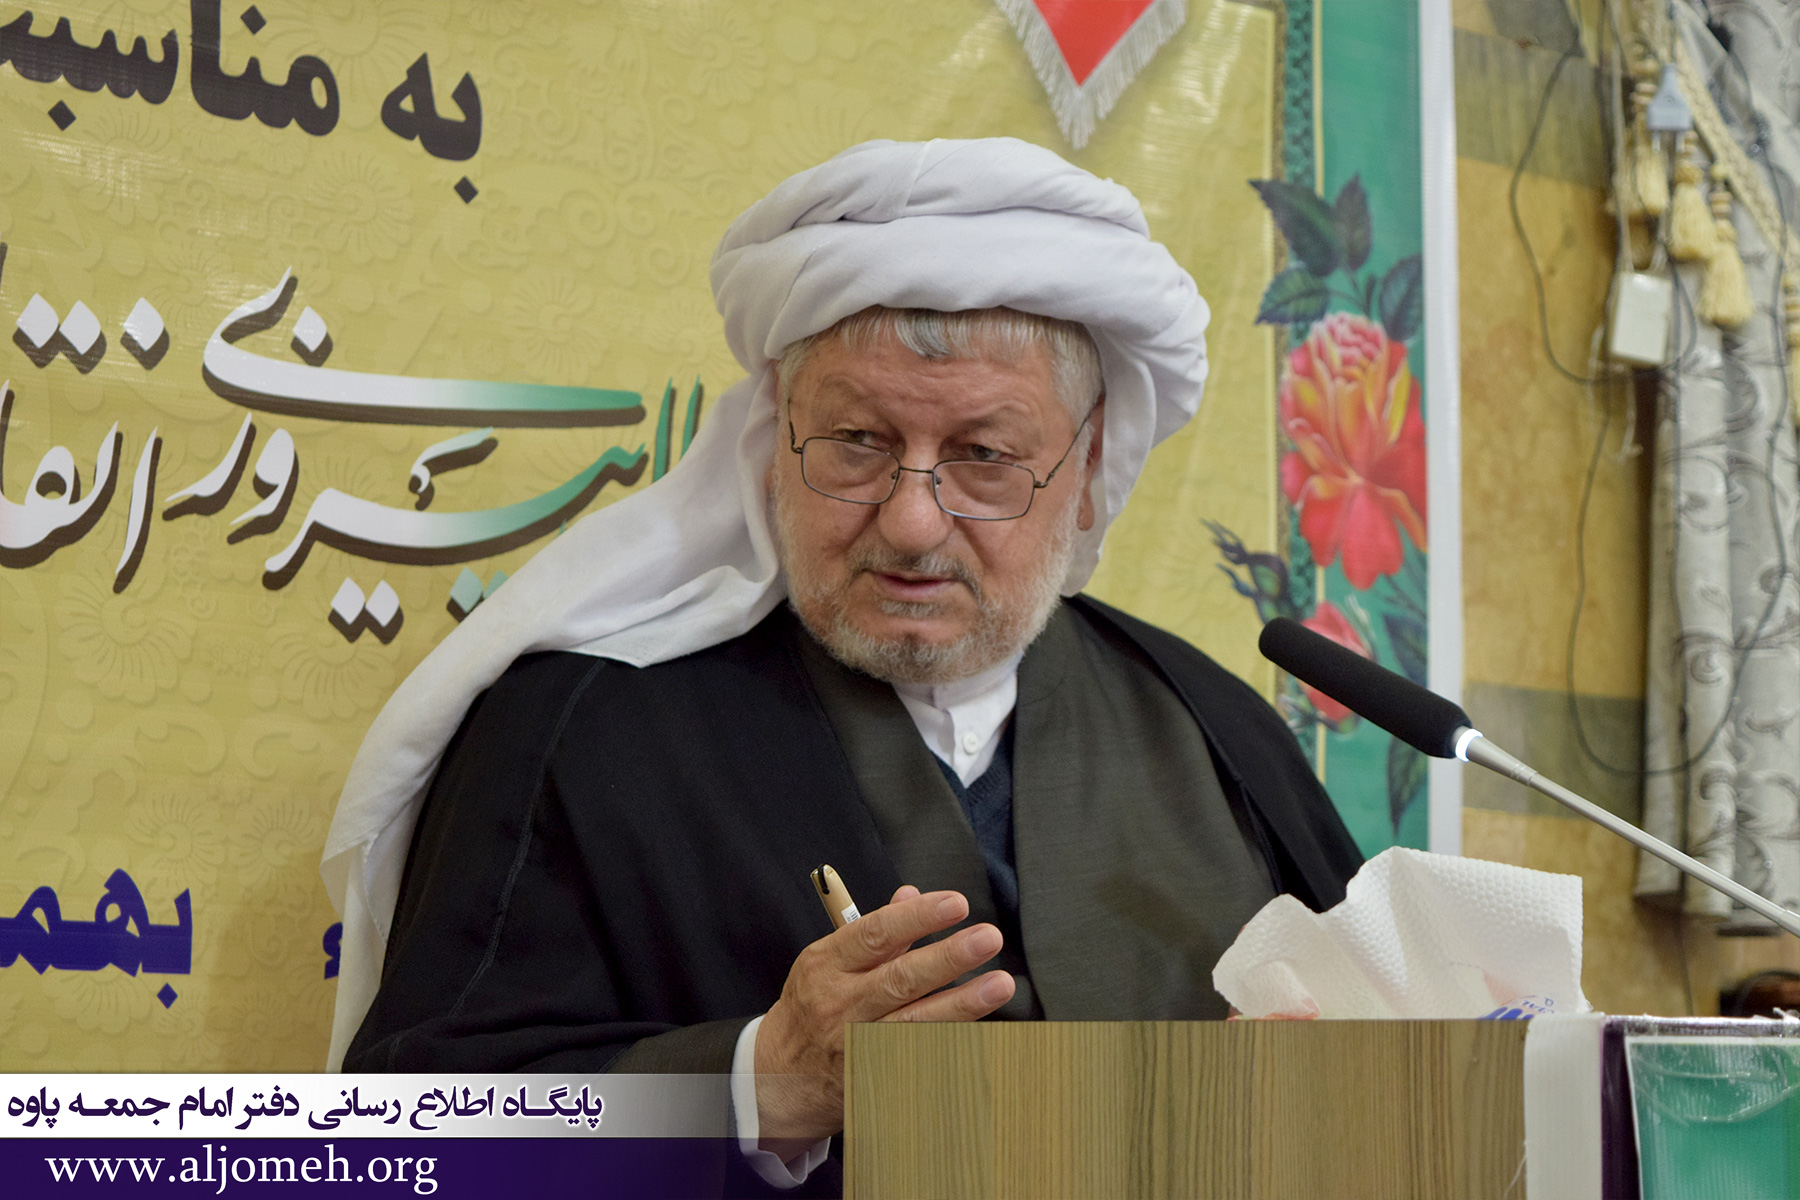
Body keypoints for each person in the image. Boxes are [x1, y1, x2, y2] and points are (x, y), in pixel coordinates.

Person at [322, 138, 1362, 1194]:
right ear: (779, 436)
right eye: (858, 441)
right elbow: (400, 1140)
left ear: (1087, 468)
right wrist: (753, 1085)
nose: (911, 523)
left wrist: (1309, 1105)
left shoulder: (1212, 734)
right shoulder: (580, 730)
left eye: (985, 457)